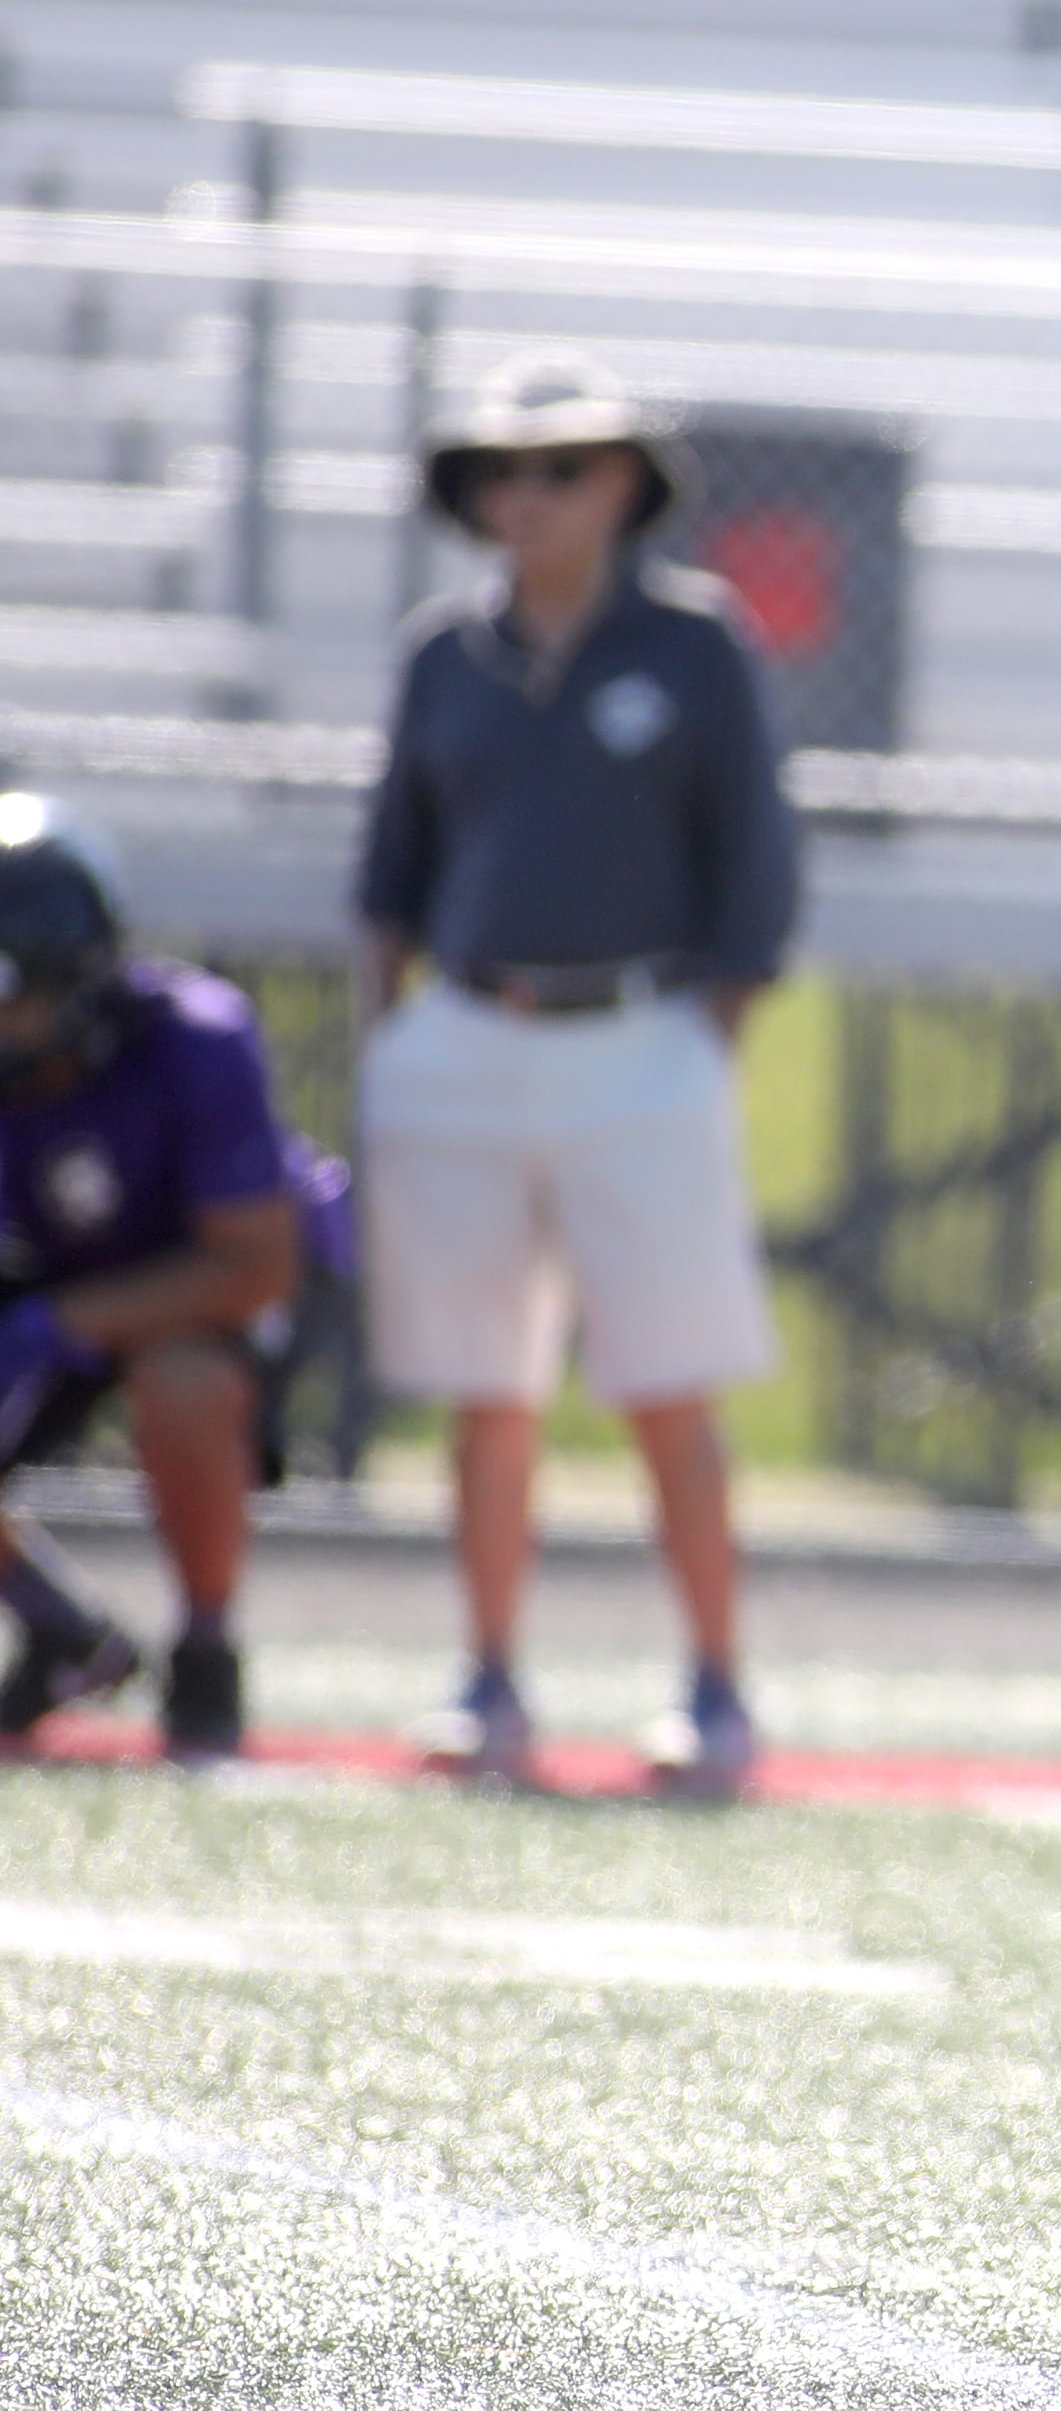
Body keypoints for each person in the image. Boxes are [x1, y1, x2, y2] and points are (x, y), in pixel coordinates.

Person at [354, 350, 800, 1806]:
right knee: (490, 1392)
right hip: (470, 1040)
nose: (526, 497)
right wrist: (393, 1039)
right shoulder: (442, 653)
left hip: (640, 1035)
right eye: (503, 472)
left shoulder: (695, 647)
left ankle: (717, 1684)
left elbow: (755, 869)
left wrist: (701, 1041)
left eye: (560, 469)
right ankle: (488, 1676)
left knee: (671, 1384)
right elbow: (392, 875)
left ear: (623, 485)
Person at [0, 801, 349, 1762]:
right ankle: (60, 1621)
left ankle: (206, 1647)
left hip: (207, 1291)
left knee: (183, 1381)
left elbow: (253, 1264)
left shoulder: (195, 1038)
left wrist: (55, 1320)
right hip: (60, 1278)